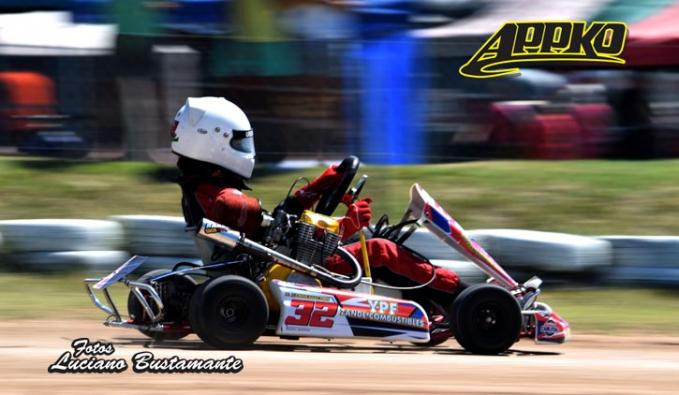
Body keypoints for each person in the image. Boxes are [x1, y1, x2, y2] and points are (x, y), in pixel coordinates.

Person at [171, 97, 464, 309]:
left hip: (261, 271)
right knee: (381, 248)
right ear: (214, 142)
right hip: (279, 276)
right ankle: (460, 296)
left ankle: (428, 303)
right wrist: (347, 224)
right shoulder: (227, 201)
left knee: (373, 238)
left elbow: (273, 227)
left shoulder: (205, 192)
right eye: (238, 143)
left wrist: (318, 187)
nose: (245, 150)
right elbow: (282, 243)